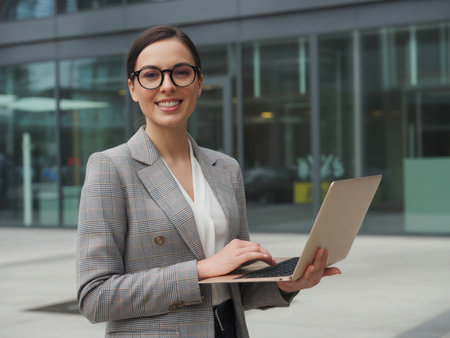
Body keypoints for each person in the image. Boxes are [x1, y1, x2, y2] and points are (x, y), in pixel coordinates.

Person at [76, 25, 341, 338]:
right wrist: (200, 270)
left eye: (181, 72)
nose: (167, 86)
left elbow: (234, 286)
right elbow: (95, 297)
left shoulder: (225, 168)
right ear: (133, 88)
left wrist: (286, 284)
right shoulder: (111, 168)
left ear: (199, 83)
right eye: (151, 75)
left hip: (228, 328)